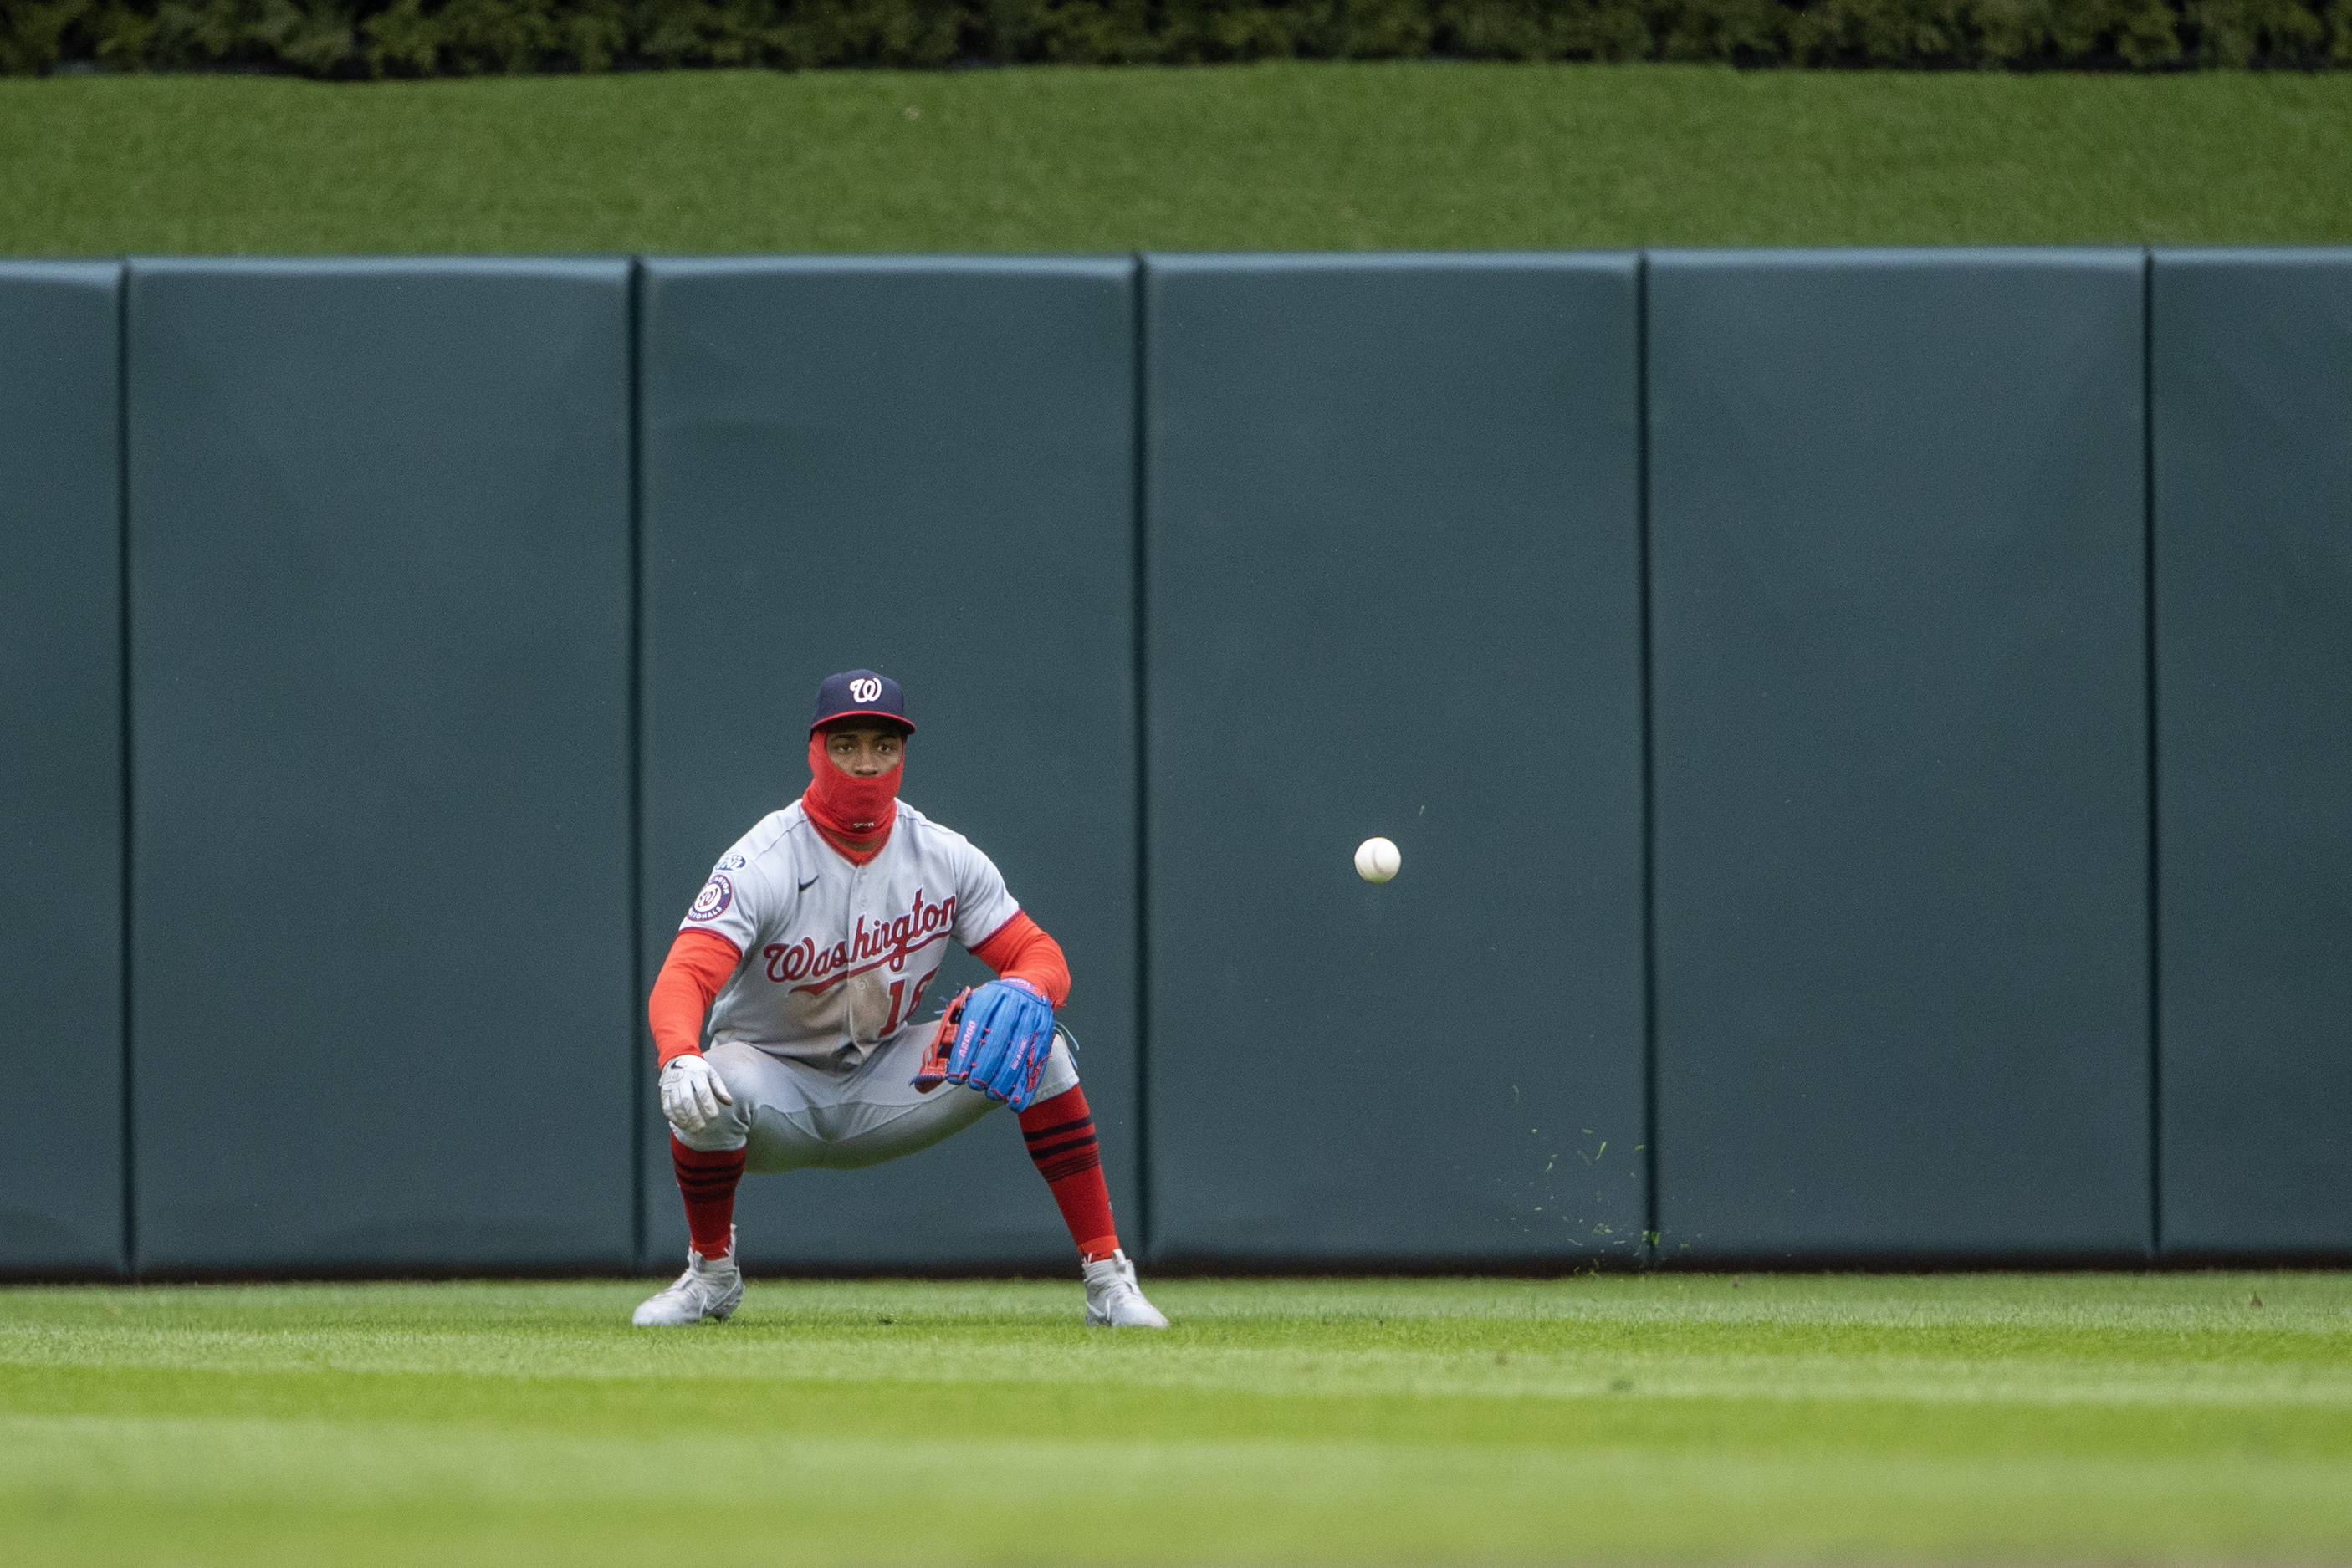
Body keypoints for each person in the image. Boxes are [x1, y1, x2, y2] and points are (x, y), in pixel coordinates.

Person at [631, 669, 1168, 1330]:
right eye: (847, 743)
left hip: (890, 1079)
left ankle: (1107, 1278)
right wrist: (678, 1054)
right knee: (705, 1086)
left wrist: (1030, 987)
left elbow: (1039, 952)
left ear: (903, 754)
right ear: (814, 750)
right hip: (771, 1087)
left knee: (1041, 1045)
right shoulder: (763, 858)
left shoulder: (942, 855)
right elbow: (684, 975)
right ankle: (711, 1274)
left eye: (884, 745)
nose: (866, 762)